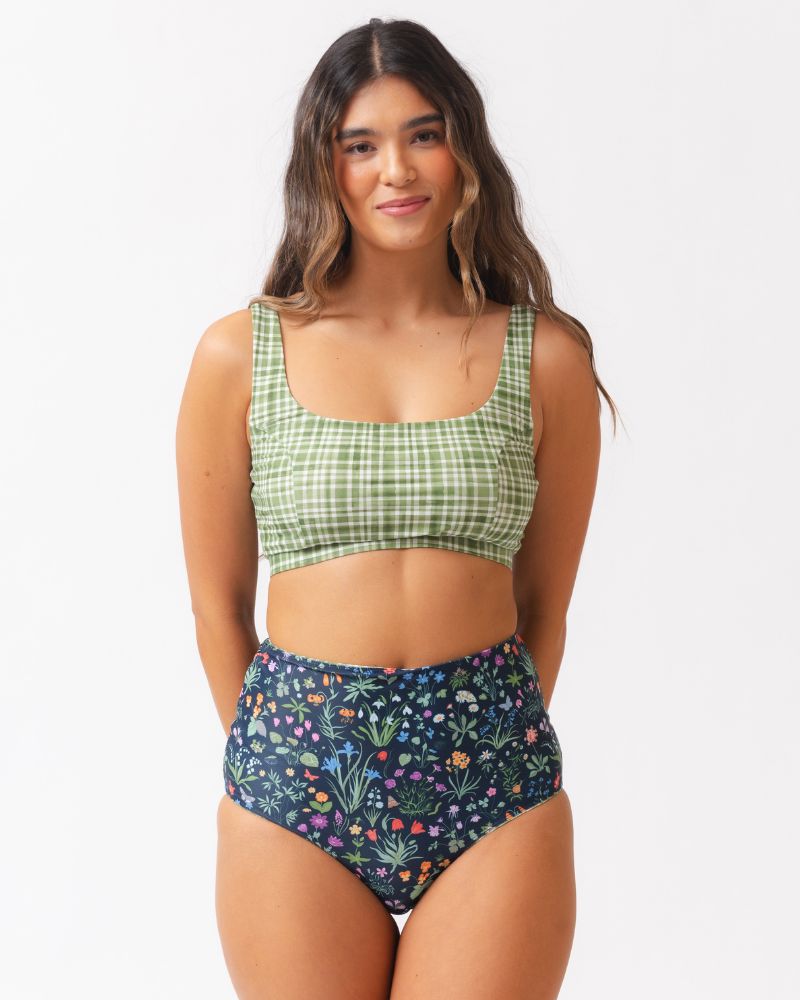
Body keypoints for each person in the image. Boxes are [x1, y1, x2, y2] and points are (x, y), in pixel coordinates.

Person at [176, 16, 617, 1000]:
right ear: (323, 164)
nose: (396, 170)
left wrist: (476, 740)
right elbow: (216, 606)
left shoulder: (544, 358)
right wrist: (276, 756)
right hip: (294, 783)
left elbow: (544, 607)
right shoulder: (239, 356)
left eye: (424, 134)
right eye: (360, 144)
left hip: (490, 784)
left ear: (465, 150)